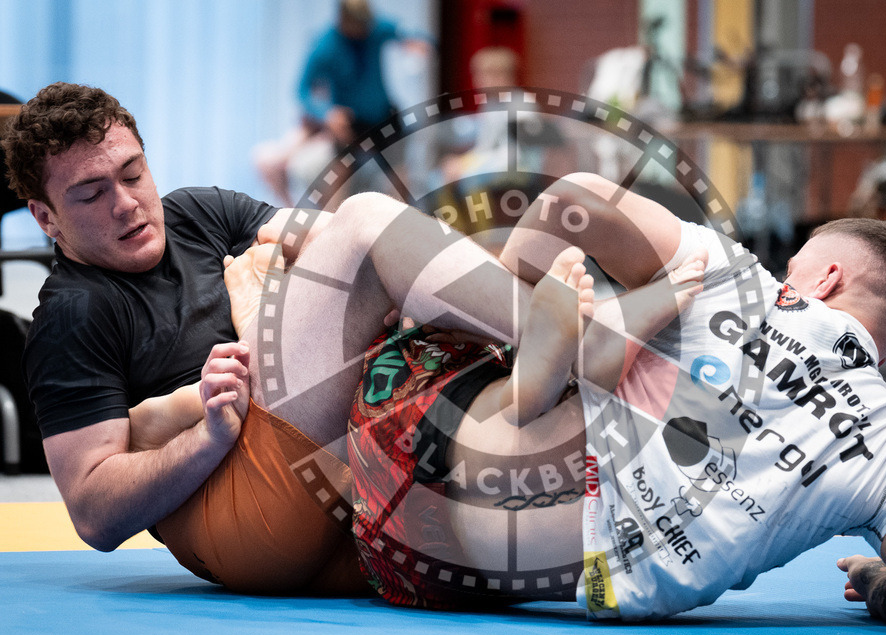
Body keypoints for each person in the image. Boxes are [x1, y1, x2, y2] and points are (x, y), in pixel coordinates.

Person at [342, 172, 886, 633]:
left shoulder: (738, 277)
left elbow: (572, 200)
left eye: (795, 266)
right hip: (446, 570)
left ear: (826, 276)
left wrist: (516, 300)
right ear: (884, 354)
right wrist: (878, 583)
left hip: (425, 433)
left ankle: (529, 351)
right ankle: (543, 349)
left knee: (363, 223)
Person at [0, 81, 555, 595]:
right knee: (363, 221)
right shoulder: (72, 312)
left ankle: (594, 368)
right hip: (241, 509)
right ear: (46, 219)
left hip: (336, 475)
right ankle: (564, 338)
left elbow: (353, 242)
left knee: (567, 207)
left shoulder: (197, 213)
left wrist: (453, 282)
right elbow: (95, 514)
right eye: (91, 194)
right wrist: (205, 439)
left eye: (131, 174)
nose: (124, 203)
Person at [254, 0, 430, 207]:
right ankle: (334, 229)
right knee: (336, 180)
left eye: (367, 26)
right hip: (349, 123)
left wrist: (417, 43)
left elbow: (406, 32)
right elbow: (302, 91)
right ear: (343, 20)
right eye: (359, 26)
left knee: (400, 178)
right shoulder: (325, 46)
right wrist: (326, 113)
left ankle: (403, 229)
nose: (364, 31)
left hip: (383, 115)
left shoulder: (375, 30)